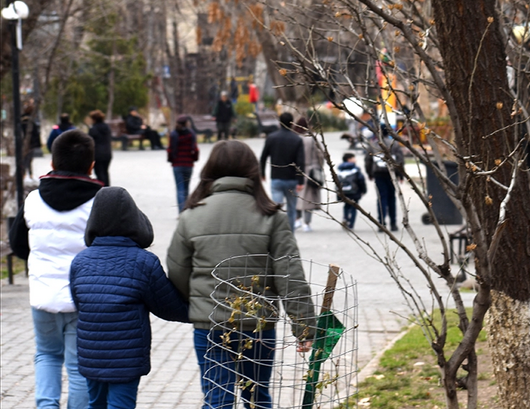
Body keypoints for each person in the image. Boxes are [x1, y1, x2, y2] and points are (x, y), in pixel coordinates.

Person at [166, 141, 315, 409]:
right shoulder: (271, 217)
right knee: (258, 398)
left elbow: (177, 268)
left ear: (210, 170)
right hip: (258, 326)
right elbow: (290, 274)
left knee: (217, 399)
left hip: (210, 324)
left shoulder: (191, 215)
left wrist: (198, 300)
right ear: (253, 171)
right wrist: (304, 326)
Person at [69, 187, 190, 409]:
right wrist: (198, 312)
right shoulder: (143, 262)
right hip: (126, 357)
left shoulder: (80, 261)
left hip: (91, 353)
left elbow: (79, 303)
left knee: (95, 404)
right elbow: (167, 306)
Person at [10, 130, 102, 409]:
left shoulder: (33, 200)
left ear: (52, 163)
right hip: (82, 298)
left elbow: (18, 245)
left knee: (47, 355)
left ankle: (46, 405)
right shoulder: (100, 200)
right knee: (77, 365)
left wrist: (39, 258)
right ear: (91, 165)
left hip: (42, 296)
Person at [259, 112, 306, 231]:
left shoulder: (272, 138)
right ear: (292, 124)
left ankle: (277, 234)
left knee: (277, 209)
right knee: (291, 209)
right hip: (292, 179)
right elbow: (300, 161)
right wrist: (301, 181)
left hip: (276, 178)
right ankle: (290, 235)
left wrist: (262, 173)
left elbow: (263, 157)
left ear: (279, 122)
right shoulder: (297, 140)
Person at [365, 125, 405, 232]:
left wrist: (369, 172)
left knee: (381, 197)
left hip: (378, 173)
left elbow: (368, 160)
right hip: (391, 173)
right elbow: (400, 159)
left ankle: (381, 222)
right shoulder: (394, 144)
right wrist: (400, 174)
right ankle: (393, 223)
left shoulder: (373, 145)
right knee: (391, 197)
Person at [294, 117, 324, 232]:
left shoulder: (295, 138)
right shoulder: (313, 137)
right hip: (312, 169)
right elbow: (321, 154)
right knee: (309, 199)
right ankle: (307, 223)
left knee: (297, 196)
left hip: (297, 169)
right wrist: (320, 165)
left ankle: (297, 219)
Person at [168, 115, 200, 213]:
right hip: (188, 164)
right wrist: (194, 159)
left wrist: (171, 160)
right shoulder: (191, 134)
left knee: (180, 188)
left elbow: (170, 150)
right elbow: (195, 149)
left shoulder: (173, 134)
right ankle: (186, 209)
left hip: (177, 164)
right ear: (186, 123)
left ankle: (181, 211)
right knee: (186, 188)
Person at [336, 153, 367, 230]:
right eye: (353, 158)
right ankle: (351, 224)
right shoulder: (356, 169)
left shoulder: (340, 169)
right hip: (354, 191)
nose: (355, 160)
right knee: (354, 207)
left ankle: (345, 218)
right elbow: (361, 180)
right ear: (349, 159)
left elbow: (337, 181)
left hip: (343, 191)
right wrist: (363, 190)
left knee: (346, 206)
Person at [87, 110, 113, 186]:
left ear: (94, 119)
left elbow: (89, 141)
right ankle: (107, 188)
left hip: (97, 154)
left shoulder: (93, 129)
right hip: (107, 153)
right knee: (105, 171)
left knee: (99, 172)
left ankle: (102, 188)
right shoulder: (107, 127)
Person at [21, 100, 42, 178]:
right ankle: (27, 173)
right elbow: (35, 133)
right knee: (28, 159)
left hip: (24, 142)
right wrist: (37, 143)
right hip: (30, 143)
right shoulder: (30, 121)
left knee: (26, 158)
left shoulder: (21, 120)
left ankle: (27, 173)